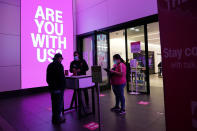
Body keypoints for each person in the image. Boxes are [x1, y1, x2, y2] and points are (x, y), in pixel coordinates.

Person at [46, 53, 66, 124]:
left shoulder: (49, 65)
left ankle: (54, 118)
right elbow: (61, 78)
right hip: (59, 88)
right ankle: (58, 119)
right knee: (59, 104)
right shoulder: (59, 65)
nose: (61, 60)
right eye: (61, 59)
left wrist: (51, 85)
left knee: (54, 104)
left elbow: (47, 78)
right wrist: (63, 86)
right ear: (59, 58)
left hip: (52, 88)